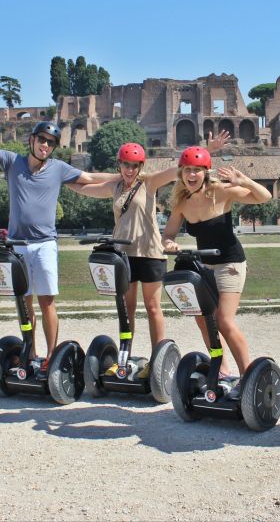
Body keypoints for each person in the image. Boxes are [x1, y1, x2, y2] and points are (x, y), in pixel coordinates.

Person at [0, 111, 119, 371]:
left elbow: (89, 178)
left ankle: (52, 356)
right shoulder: (12, 162)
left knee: (47, 301)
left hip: (45, 244)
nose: (45, 145)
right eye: (41, 140)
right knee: (24, 301)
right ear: (32, 140)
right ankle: (29, 351)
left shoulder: (58, 169)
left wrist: (125, 177)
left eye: (50, 143)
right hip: (17, 246)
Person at [73, 133, 230, 377]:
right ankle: (124, 357)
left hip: (150, 254)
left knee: (153, 307)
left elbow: (179, 166)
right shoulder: (113, 187)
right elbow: (84, 187)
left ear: (141, 167)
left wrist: (207, 148)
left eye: (135, 165)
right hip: (123, 255)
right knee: (127, 308)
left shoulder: (149, 183)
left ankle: (157, 362)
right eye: (126, 164)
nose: (130, 169)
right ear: (120, 165)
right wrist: (57, 178)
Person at [161, 146, 272, 398]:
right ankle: (222, 369)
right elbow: (167, 235)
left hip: (230, 263)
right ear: (181, 173)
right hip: (204, 266)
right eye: (187, 170)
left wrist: (245, 181)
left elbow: (264, 197)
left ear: (205, 172)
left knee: (223, 320)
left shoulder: (220, 191)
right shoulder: (181, 203)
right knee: (203, 319)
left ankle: (248, 377)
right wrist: (169, 244)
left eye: (196, 171)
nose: (191, 175)